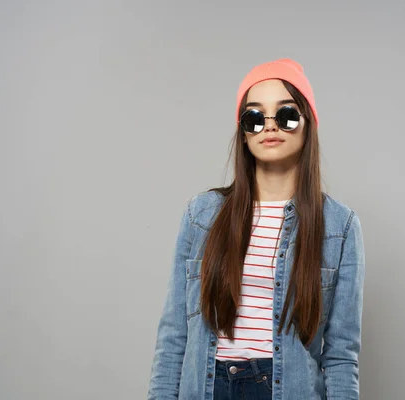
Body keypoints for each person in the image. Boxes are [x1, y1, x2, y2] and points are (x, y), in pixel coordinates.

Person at [147, 58, 366, 400]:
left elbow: (340, 357)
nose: (270, 127)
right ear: (244, 132)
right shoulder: (202, 215)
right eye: (254, 117)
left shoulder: (340, 227)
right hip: (208, 388)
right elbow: (174, 335)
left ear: (308, 124)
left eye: (286, 115)